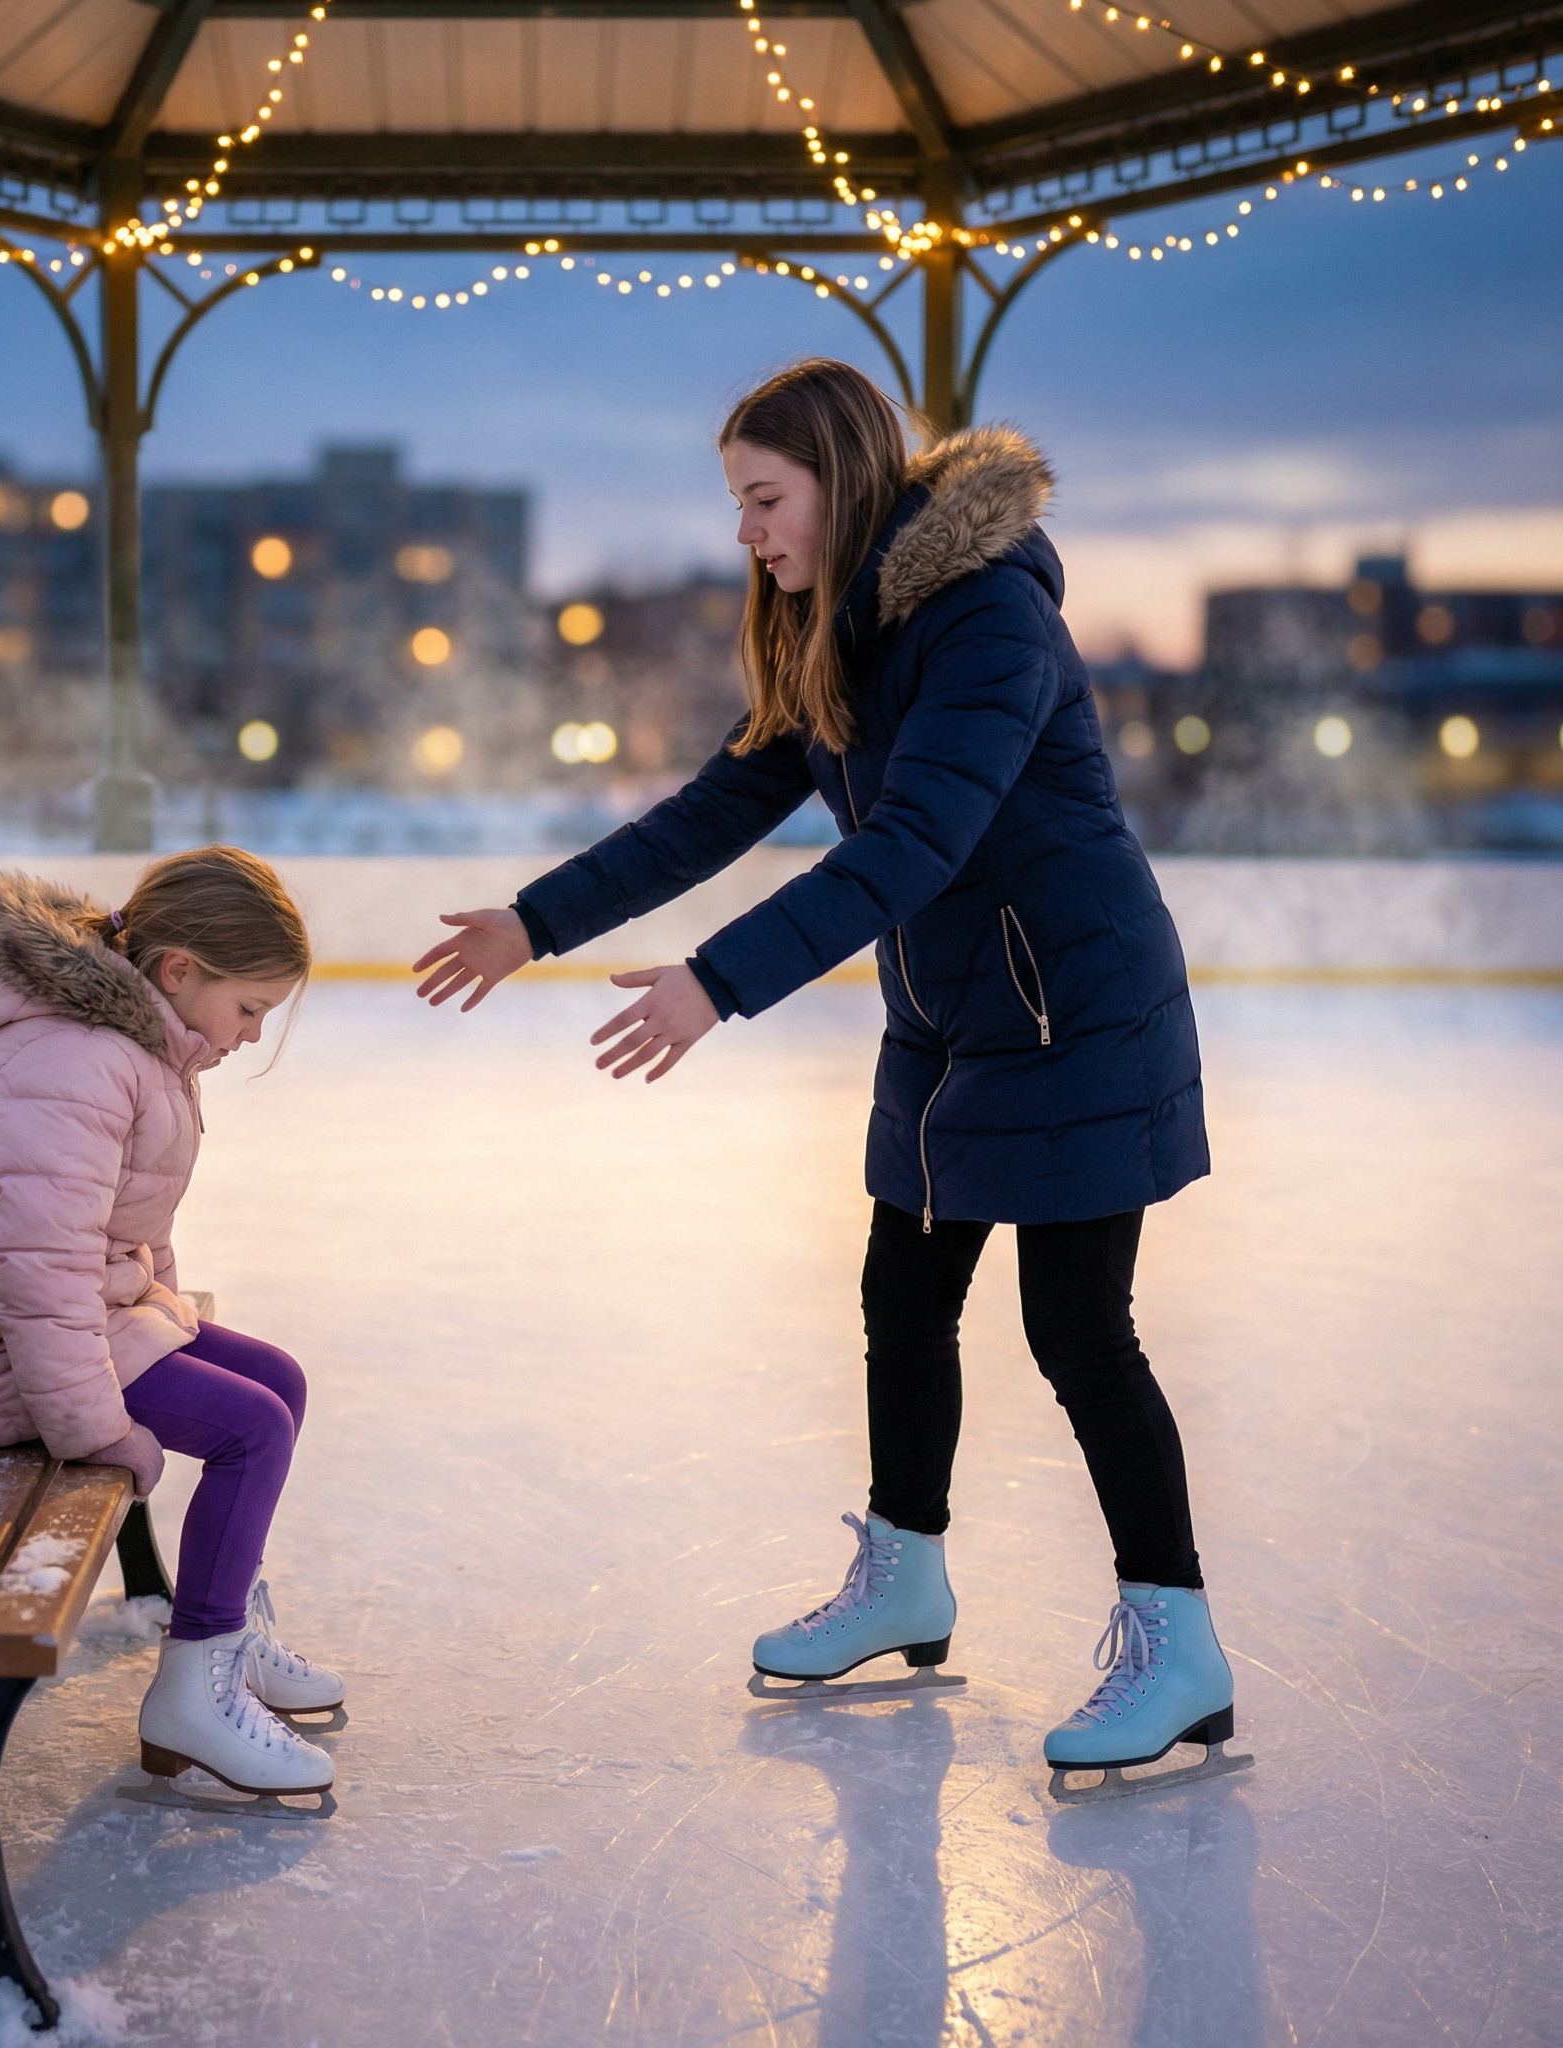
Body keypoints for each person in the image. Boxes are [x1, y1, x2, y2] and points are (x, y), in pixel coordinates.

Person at [413, 358, 1236, 1785]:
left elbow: (912, 841)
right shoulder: (839, 629)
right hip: (948, 1013)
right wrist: (532, 919)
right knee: (900, 1300)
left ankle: (1181, 1648)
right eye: (735, 500)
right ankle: (907, 1575)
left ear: (841, 481)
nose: (745, 532)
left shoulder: (986, 620)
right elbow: (718, 806)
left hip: (1074, 1012)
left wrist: (715, 986)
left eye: (763, 497)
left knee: (1077, 1333)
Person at [0, 849, 341, 1798]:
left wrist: (161, 1308)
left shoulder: (141, 1040)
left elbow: (128, 1226)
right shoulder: (81, 1060)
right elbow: (39, 1278)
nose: (252, 1034)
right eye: (249, 1008)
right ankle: (192, 1692)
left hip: (31, 1314)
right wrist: (99, 1435)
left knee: (277, 1382)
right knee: (252, 1429)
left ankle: (227, 1628)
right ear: (178, 970)